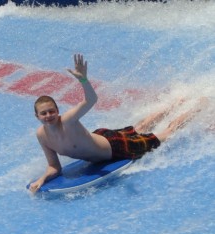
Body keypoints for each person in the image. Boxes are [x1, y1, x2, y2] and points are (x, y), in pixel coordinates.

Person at [29, 54, 204, 193]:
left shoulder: (68, 120)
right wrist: (42, 179)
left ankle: (196, 107)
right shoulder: (41, 135)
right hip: (101, 137)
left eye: (52, 111)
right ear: (37, 116)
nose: (49, 115)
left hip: (117, 148)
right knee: (141, 127)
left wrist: (83, 80)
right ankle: (176, 103)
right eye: (43, 113)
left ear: (57, 111)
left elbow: (91, 100)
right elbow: (54, 167)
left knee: (166, 133)